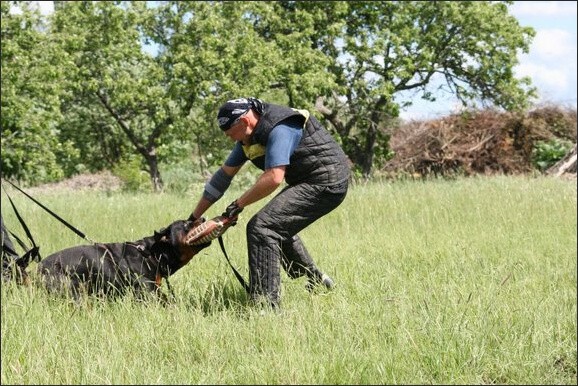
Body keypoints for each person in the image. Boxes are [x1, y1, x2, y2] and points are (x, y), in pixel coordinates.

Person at [188, 97, 351, 308]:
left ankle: (266, 306)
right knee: (276, 225)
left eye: (230, 133)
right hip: (305, 181)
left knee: (262, 228)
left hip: (326, 181)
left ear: (245, 122)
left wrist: (238, 205)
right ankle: (317, 281)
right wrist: (193, 218)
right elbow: (222, 178)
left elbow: (274, 177)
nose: (230, 139)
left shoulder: (281, 127)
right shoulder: (248, 138)